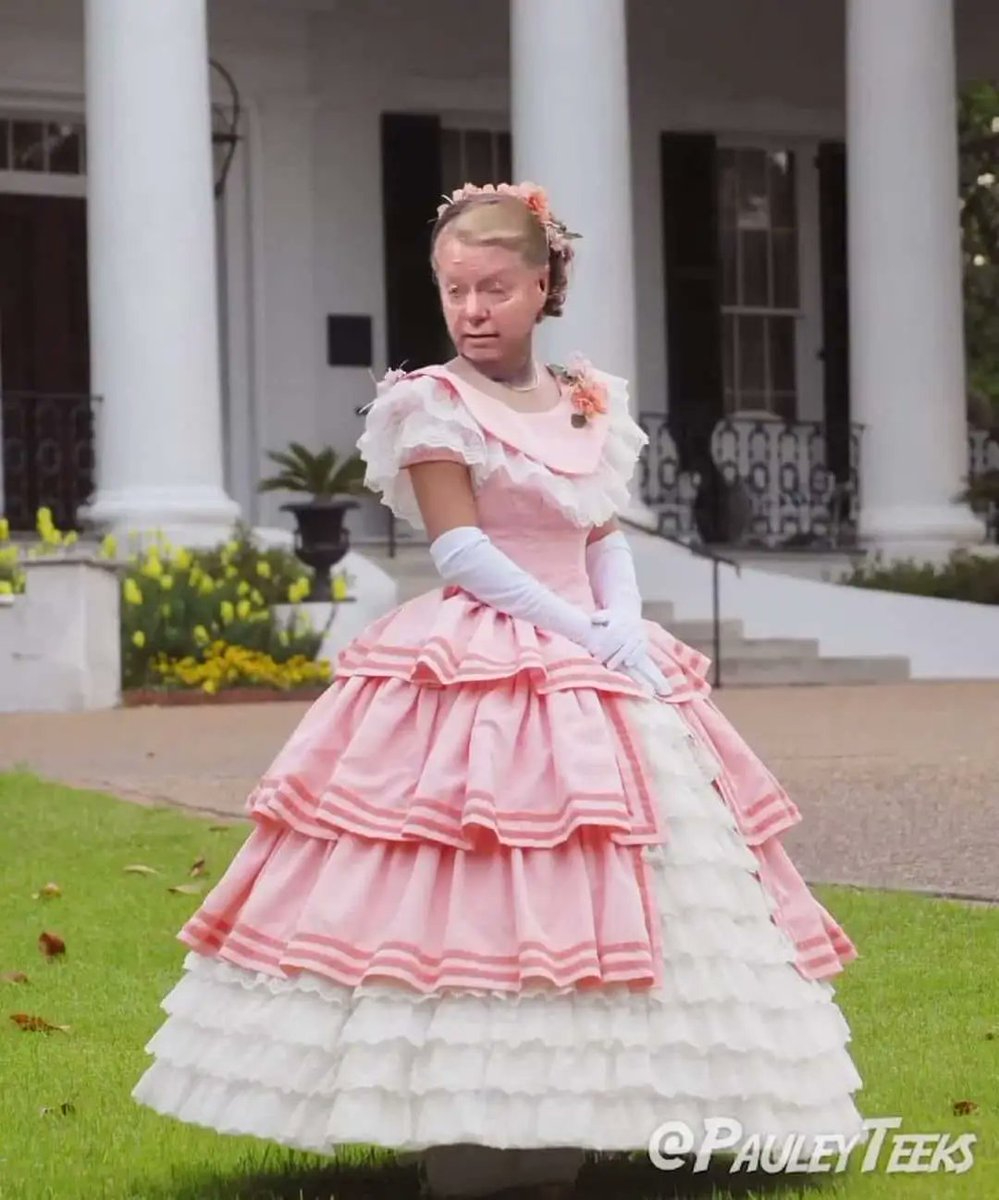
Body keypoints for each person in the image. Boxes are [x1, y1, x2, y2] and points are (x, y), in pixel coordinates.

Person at [132, 182, 864, 1197]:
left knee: (622, 874)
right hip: (484, 653)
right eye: (454, 290)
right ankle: (467, 1138)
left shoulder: (585, 400)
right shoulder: (428, 403)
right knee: (470, 875)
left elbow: (600, 533)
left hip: (596, 655)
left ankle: (567, 1124)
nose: (472, 310)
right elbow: (464, 551)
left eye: (493, 289)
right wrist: (577, 630)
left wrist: (620, 624)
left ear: (542, 286)